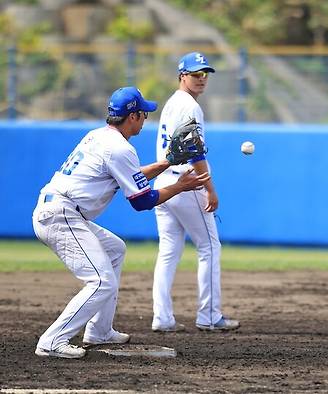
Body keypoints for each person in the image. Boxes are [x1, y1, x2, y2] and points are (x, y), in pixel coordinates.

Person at [32, 86, 210, 358]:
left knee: (115, 249)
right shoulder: (120, 149)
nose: (146, 118)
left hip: (58, 210)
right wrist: (179, 186)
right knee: (101, 281)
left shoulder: (100, 137)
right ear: (133, 116)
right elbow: (142, 201)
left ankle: (100, 330)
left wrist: (167, 162)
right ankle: (52, 340)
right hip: (61, 215)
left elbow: (132, 176)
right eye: (144, 113)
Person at [152, 52, 239, 332]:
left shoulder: (172, 104)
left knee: (168, 252)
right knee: (210, 247)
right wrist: (209, 188)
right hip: (186, 184)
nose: (201, 79)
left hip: (164, 185)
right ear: (182, 76)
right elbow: (194, 151)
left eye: (204, 74)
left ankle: (162, 318)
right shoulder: (189, 106)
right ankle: (209, 316)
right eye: (195, 74)